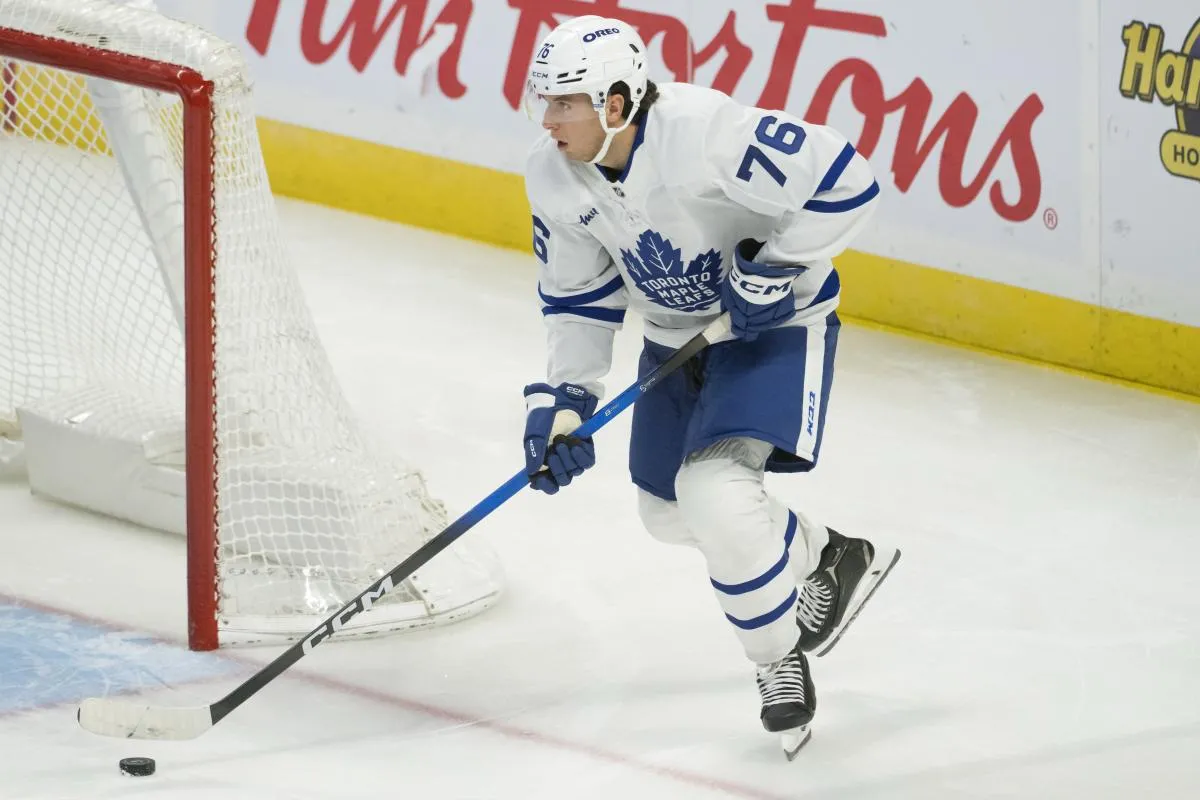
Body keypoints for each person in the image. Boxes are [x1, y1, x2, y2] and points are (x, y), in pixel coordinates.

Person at [518, 15, 900, 758]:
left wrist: (779, 266)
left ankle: (777, 660)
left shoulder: (706, 133)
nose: (549, 118)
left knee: (715, 494)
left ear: (618, 103)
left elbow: (849, 180)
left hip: (773, 332)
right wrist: (564, 401)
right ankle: (827, 554)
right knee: (665, 512)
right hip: (672, 339)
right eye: (547, 101)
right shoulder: (552, 172)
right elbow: (577, 296)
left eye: (566, 101)